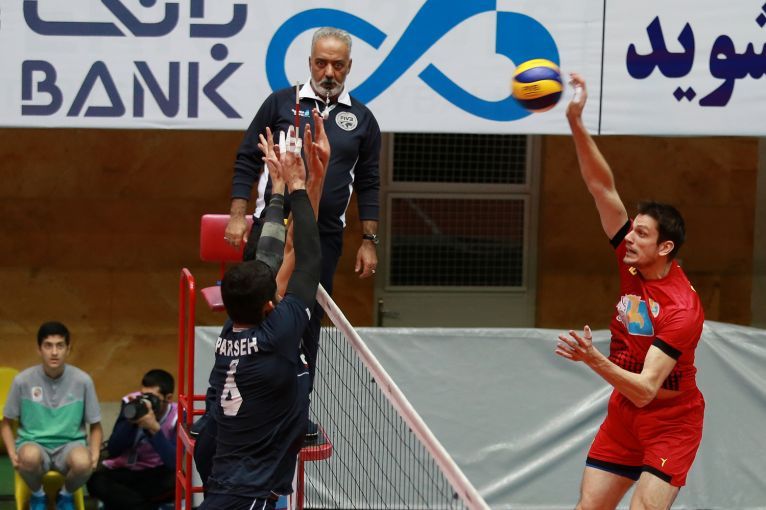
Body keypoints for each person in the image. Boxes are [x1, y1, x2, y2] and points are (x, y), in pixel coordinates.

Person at [554, 74, 705, 510]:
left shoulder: (682, 309)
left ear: (665, 247)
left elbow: (645, 390)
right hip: (624, 417)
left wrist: (592, 358)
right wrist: (576, 123)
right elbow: (601, 188)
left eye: (641, 234)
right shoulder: (631, 261)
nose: (629, 239)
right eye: (631, 230)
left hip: (671, 423)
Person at [224, 26, 381, 395]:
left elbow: (369, 182)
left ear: (349, 67)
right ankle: (237, 398)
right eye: (322, 63)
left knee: (307, 319)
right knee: (254, 311)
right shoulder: (280, 103)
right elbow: (247, 158)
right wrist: (237, 215)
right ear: (310, 63)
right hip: (272, 228)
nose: (329, 72)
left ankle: (298, 406)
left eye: (338, 65)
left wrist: (368, 240)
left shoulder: (362, 118)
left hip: (322, 238)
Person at [199, 120, 324, 509]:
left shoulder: (231, 330)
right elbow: (307, 257)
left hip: (223, 473)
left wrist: (280, 189)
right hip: (248, 493)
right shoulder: (279, 333)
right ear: (271, 305)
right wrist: (300, 184)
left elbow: (273, 256)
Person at [1, 321, 102, 510]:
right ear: (39, 349)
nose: (54, 352)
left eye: (60, 346)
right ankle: (38, 495)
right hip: (34, 443)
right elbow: (6, 422)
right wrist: (12, 453)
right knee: (28, 457)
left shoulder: (83, 381)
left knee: (83, 463)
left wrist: (95, 454)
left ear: (68, 349)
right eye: (48, 346)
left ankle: (65, 496)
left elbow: (95, 425)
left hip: (71, 445)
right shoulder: (22, 381)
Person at [86, 369, 177, 510]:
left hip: (155, 472)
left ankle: (127, 504)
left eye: (152, 398)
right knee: (95, 481)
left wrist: (154, 430)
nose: (146, 402)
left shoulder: (177, 415)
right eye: (143, 395)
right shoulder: (132, 402)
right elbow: (114, 449)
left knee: (175, 481)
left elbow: (173, 461)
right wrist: (131, 421)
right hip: (124, 469)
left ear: (168, 398)